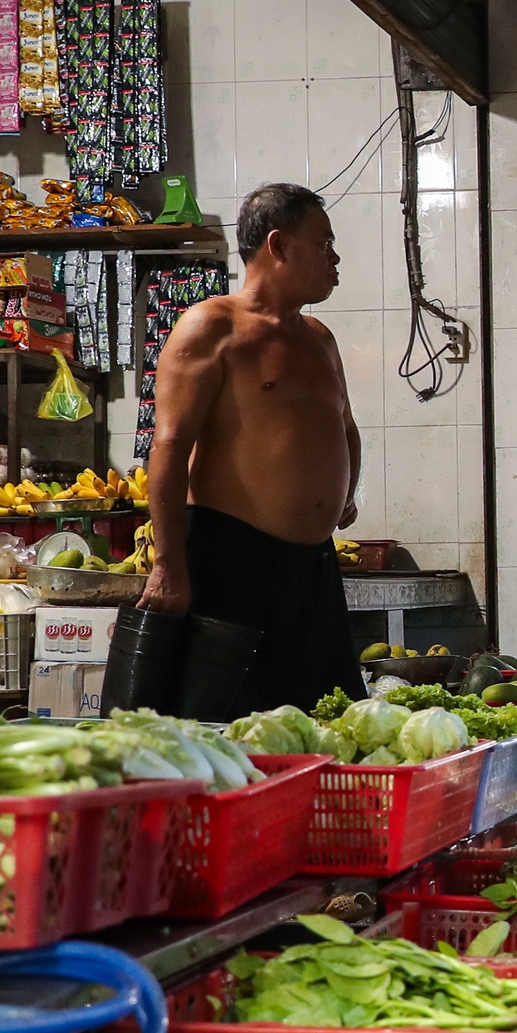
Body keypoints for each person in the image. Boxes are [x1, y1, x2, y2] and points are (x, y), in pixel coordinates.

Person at [140, 182, 364, 714]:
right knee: (233, 727)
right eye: (323, 242)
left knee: (327, 725)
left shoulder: (319, 338)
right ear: (278, 245)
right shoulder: (211, 327)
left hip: (312, 569)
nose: (335, 257)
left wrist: (342, 493)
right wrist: (168, 563)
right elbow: (168, 448)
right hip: (230, 560)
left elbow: (343, 426)